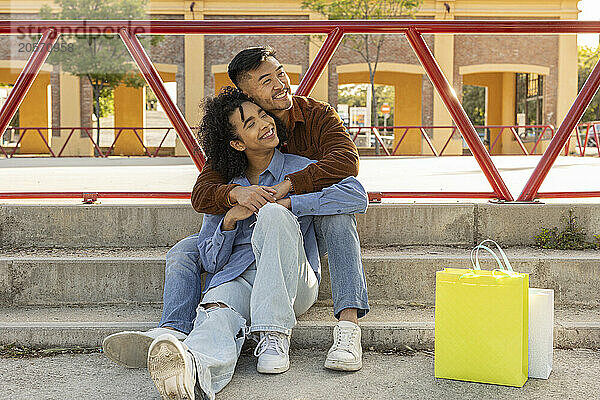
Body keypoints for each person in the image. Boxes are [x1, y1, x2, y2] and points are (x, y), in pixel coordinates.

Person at [103, 45, 369, 372]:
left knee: (321, 215)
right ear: (246, 97)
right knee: (196, 266)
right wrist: (232, 203)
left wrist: (289, 193)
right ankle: (185, 356)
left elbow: (348, 170)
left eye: (280, 74)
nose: (280, 84)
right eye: (265, 80)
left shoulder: (316, 118)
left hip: (303, 239)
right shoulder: (233, 152)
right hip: (246, 258)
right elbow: (204, 194)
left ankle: (343, 327)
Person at [146, 88, 368, 399]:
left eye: (263, 115)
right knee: (217, 310)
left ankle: (275, 333)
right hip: (240, 278)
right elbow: (211, 263)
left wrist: (291, 201)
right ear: (237, 143)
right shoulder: (228, 186)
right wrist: (229, 219)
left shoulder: (299, 167)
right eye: (251, 123)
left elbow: (356, 195)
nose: (265, 123)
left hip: (294, 283)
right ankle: (192, 371)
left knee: (275, 215)